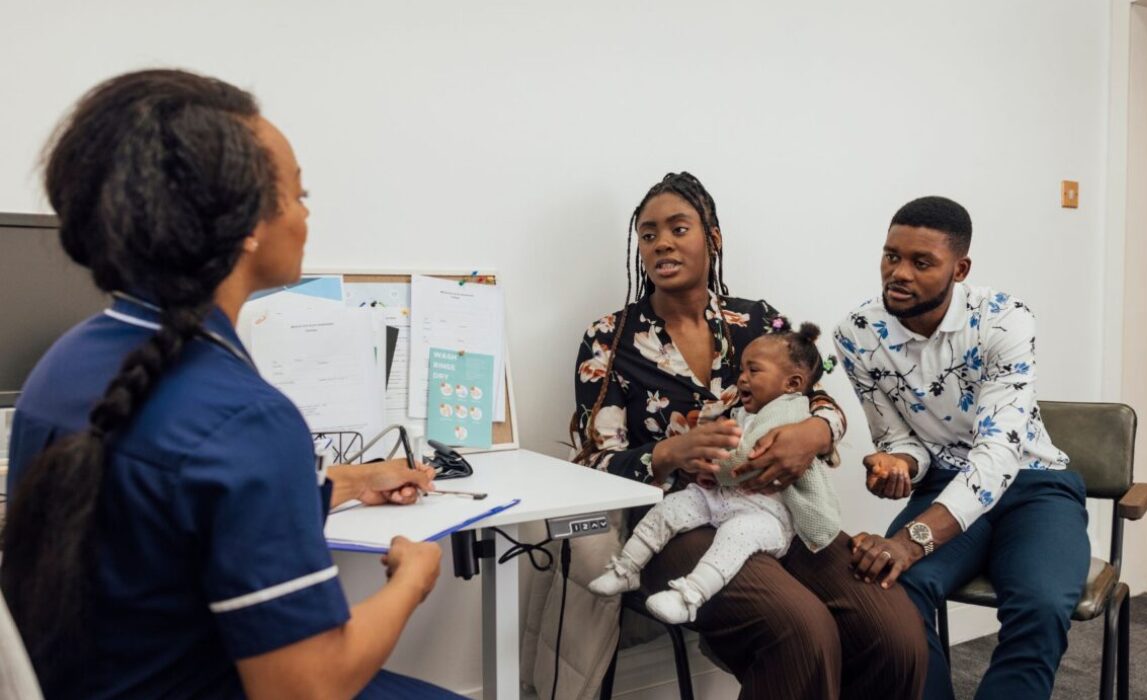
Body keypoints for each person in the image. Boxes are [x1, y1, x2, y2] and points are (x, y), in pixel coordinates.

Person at [0, 70, 455, 699]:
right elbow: (308, 690)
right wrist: (412, 579)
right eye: (299, 195)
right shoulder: (246, 419)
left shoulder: (62, 366)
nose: (306, 215)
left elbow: (168, 523)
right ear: (247, 224)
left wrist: (353, 482)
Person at [563, 172, 926, 700]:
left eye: (678, 228)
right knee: (800, 630)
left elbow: (824, 402)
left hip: (781, 512)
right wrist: (668, 453)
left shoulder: (757, 322)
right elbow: (591, 462)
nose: (661, 242)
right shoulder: (610, 338)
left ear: (713, 237)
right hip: (676, 522)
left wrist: (813, 431)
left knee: (895, 631)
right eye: (648, 234)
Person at [833, 196, 1090, 700]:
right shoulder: (857, 334)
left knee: (1040, 604)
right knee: (888, 592)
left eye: (921, 262)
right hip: (942, 486)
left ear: (960, 268)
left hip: (1032, 487)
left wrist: (911, 541)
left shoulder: (1004, 320)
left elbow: (998, 455)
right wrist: (899, 462)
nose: (898, 273)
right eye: (891, 256)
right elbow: (900, 436)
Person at [588, 322, 842, 625]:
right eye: (742, 370)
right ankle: (627, 568)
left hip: (767, 515)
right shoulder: (747, 412)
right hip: (723, 497)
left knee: (736, 536)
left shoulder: (790, 410)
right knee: (671, 507)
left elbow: (748, 459)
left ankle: (690, 596)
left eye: (753, 371)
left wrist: (713, 465)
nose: (742, 379)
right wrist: (706, 469)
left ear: (792, 383)